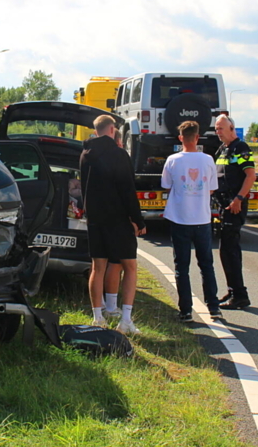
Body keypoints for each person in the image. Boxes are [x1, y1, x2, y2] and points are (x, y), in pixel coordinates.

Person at [80, 114, 146, 335]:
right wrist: (138, 219)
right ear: (112, 130)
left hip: (95, 219)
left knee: (98, 267)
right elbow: (127, 189)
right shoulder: (119, 154)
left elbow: (83, 188)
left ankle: (97, 317)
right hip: (118, 219)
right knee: (130, 267)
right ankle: (125, 320)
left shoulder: (85, 155)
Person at [161, 121, 222, 322]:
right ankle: (213, 307)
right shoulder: (208, 160)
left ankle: (186, 310)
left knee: (182, 267)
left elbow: (167, 186)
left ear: (180, 138)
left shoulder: (172, 160)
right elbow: (212, 188)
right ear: (197, 137)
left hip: (179, 218)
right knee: (206, 265)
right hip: (202, 219)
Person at [214, 115, 256, 310]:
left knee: (230, 251)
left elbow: (250, 175)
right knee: (225, 250)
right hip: (224, 206)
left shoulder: (241, 148)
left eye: (221, 128)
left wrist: (239, 198)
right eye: (216, 128)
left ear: (232, 128)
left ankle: (240, 295)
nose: (218, 132)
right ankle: (233, 291)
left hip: (234, 204)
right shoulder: (222, 150)